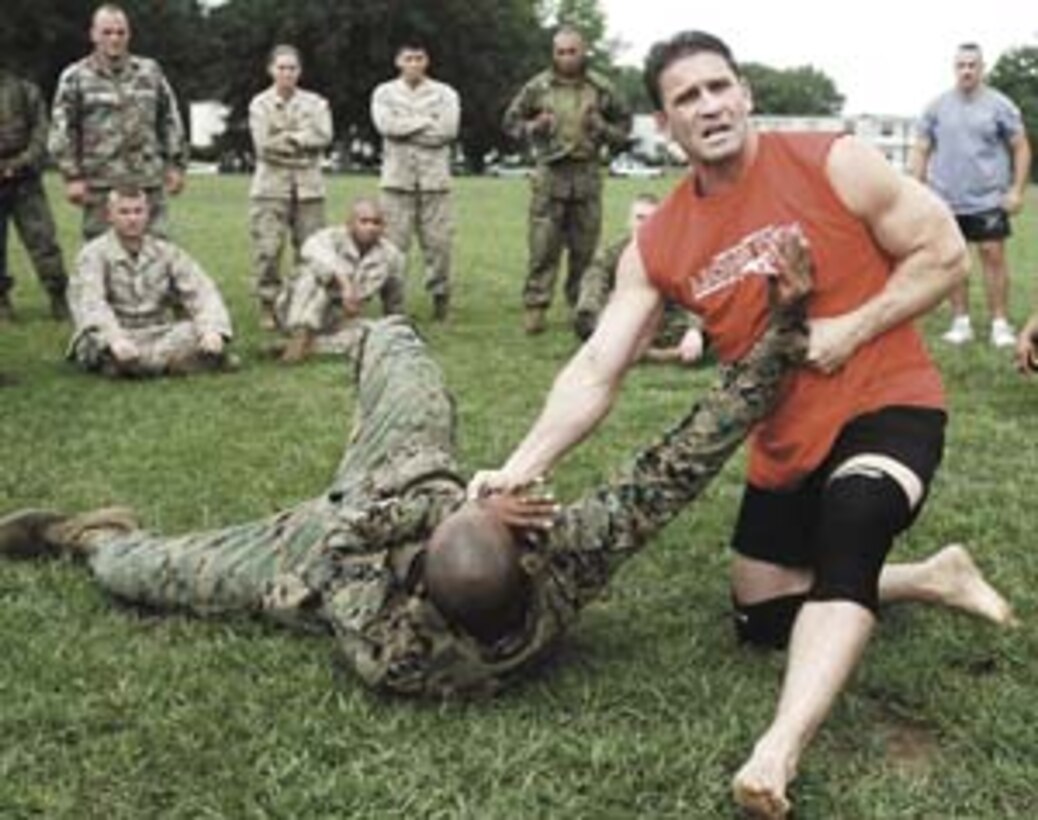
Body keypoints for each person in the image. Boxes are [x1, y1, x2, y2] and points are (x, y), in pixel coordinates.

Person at [469, 30, 1008, 819]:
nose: (709, 105)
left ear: (746, 94)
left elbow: (943, 251)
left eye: (719, 87)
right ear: (664, 125)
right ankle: (933, 576)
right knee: (761, 614)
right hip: (785, 441)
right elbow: (597, 369)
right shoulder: (661, 242)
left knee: (851, 528)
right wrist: (518, 466)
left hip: (886, 403)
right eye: (687, 98)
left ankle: (777, 749)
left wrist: (852, 327)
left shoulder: (833, 161)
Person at [0, 236, 823, 697]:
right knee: (395, 340)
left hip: (318, 538)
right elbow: (676, 464)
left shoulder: (394, 648)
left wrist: (441, 515)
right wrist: (782, 336)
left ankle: (87, 536)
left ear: (423, 585)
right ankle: (340, 334)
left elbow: (346, 541)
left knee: (141, 571)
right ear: (527, 553)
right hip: (414, 468)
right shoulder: (564, 554)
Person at [504, 26, 631, 334]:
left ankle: (581, 305)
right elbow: (510, 122)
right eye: (560, 52)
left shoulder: (602, 88)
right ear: (553, 53)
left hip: (587, 173)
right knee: (543, 245)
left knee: (585, 248)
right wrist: (535, 125)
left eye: (572, 51)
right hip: (550, 173)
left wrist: (602, 128)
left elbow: (624, 130)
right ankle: (536, 306)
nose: (566, 57)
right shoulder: (539, 86)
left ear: (583, 51)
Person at [909, 43, 1032, 348]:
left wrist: (1016, 190)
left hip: (988, 199)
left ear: (982, 68)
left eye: (972, 65)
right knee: (954, 261)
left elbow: (1021, 146)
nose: (966, 70)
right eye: (961, 65)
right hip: (945, 200)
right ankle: (960, 322)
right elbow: (922, 148)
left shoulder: (1000, 105)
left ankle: (1000, 324)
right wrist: (917, 189)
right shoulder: (936, 107)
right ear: (955, 68)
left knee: (993, 257)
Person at [48, 3, 187, 241]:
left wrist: (176, 164)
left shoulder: (150, 71)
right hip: (101, 184)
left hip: (147, 181)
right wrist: (72, 176)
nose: (115, 38)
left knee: (157, 251)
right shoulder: (75, 77)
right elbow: (62, 129)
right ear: (93, 34)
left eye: (120, 32)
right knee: (100, 254)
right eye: (107, 32)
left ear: (129, 34)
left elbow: (169, 119)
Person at [67, 187, 235, 378]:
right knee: (93, 342)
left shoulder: (166, 252)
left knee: (192, 331)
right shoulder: (92, 254)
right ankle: (175, 363)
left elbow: (201, 291)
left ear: (148, 215)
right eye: (124, 212)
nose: (132, 219)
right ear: (109, 216)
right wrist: (115, 339)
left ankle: (142, 367)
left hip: (157, 332)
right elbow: (91, 303)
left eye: (138, 211)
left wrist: (211, 330)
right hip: (116, 333)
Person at [370, 41, 459, 322]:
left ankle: (441, 299)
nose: (414, 64)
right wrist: (424, 121)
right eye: (408, 58)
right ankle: (392, 304)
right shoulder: (384, 93)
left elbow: (446, 131)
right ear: (398, 61)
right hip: (397, 182)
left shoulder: (445, 93)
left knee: (439, 245)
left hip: (435, 182)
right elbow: (386, 127)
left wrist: (406, 125)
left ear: (427, 61)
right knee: (393, 246)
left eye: (419, 58)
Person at [248, 44, 333, 331]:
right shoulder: (260, 105)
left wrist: (288, 138)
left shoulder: (316, 103)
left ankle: (303, 304)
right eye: (281, 67)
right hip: (270, 189)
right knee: (268, 250)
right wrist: (303, 142)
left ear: (300, 71)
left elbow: (324, 136)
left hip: (309, 189)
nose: (287, 73)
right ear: (271, 70)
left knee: (311, 251)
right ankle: (268, 305)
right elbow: (264, 147)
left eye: (292, 68)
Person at [574, 192, 704, 364]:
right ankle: (654, 353)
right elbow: (594, 280)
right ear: (629, 221)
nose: (646, 224)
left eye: (653, 218)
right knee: (590, 318)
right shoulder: (613, 251)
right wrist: (596, 316)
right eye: (639, 218)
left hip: (666, 316)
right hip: (624, 313)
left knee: (708, 330)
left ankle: (630, 351)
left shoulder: (678, 254)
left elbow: (698, 294)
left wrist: (695, 330)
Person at [275, 198, 406, 364]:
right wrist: (345, 283)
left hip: (339, 317)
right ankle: (301, 335)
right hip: (300, 309)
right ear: (350, 223)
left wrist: (395, 326)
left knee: (374, 335)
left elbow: (394, 300)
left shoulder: (391, 256)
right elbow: (310, 249)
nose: (370, 227)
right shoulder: (330, 238)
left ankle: (306, 347)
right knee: (309, 277)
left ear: (383, 227)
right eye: (364, 221)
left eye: (376, 223)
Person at [0, 67, 69, 321]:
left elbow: (42, 133)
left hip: (24, 181)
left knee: (43, 242)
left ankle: (59, 296)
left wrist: (19, 164)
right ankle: (1, 304)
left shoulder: (24, 89)